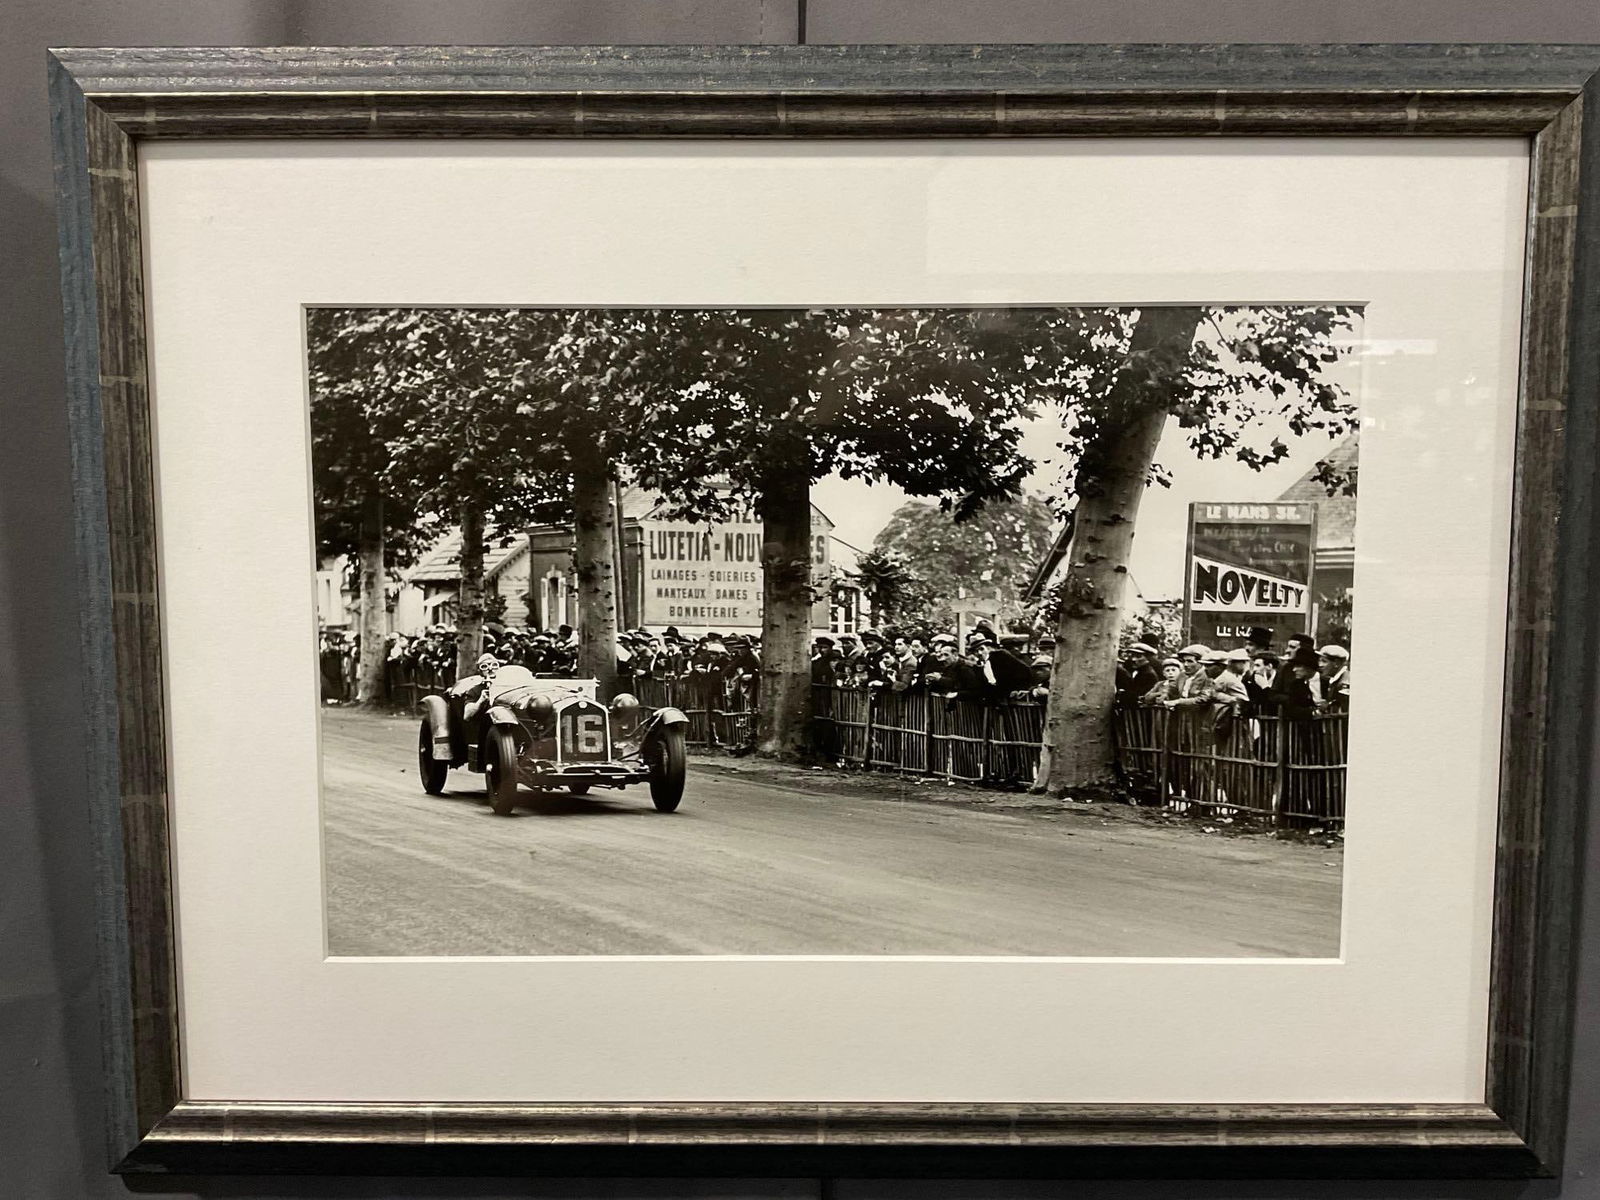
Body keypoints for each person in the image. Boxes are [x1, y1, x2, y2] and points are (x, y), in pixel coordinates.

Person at [1116, 641, 1161, 709]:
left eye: (1138, 656)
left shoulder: (1148, 675)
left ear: (1147, 658)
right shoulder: (1137, 671)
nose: (1133, 659)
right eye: (1132, 656)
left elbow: (1140, 695)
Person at [1316, 644, 1352, 711]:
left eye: (1324, 661)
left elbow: (1345, 709)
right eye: (1319, 661)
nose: (1319, 665)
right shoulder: (1334, 681)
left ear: (1336, 663)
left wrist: (1328, 706)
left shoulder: (1345, 682)